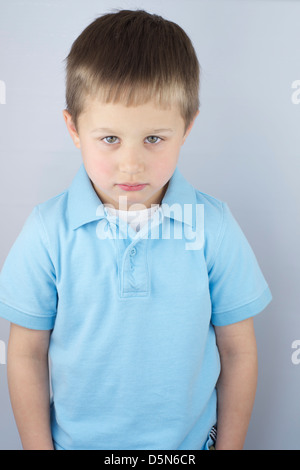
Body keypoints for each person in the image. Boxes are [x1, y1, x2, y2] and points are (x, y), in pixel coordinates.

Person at [0, 9, 272, 450]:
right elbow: (26, 353)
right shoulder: (48, 231)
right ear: (74, 128)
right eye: (110, 139)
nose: (131, 164)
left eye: (153, 139)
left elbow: (238, 352)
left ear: (187, 128)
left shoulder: (214, 227)